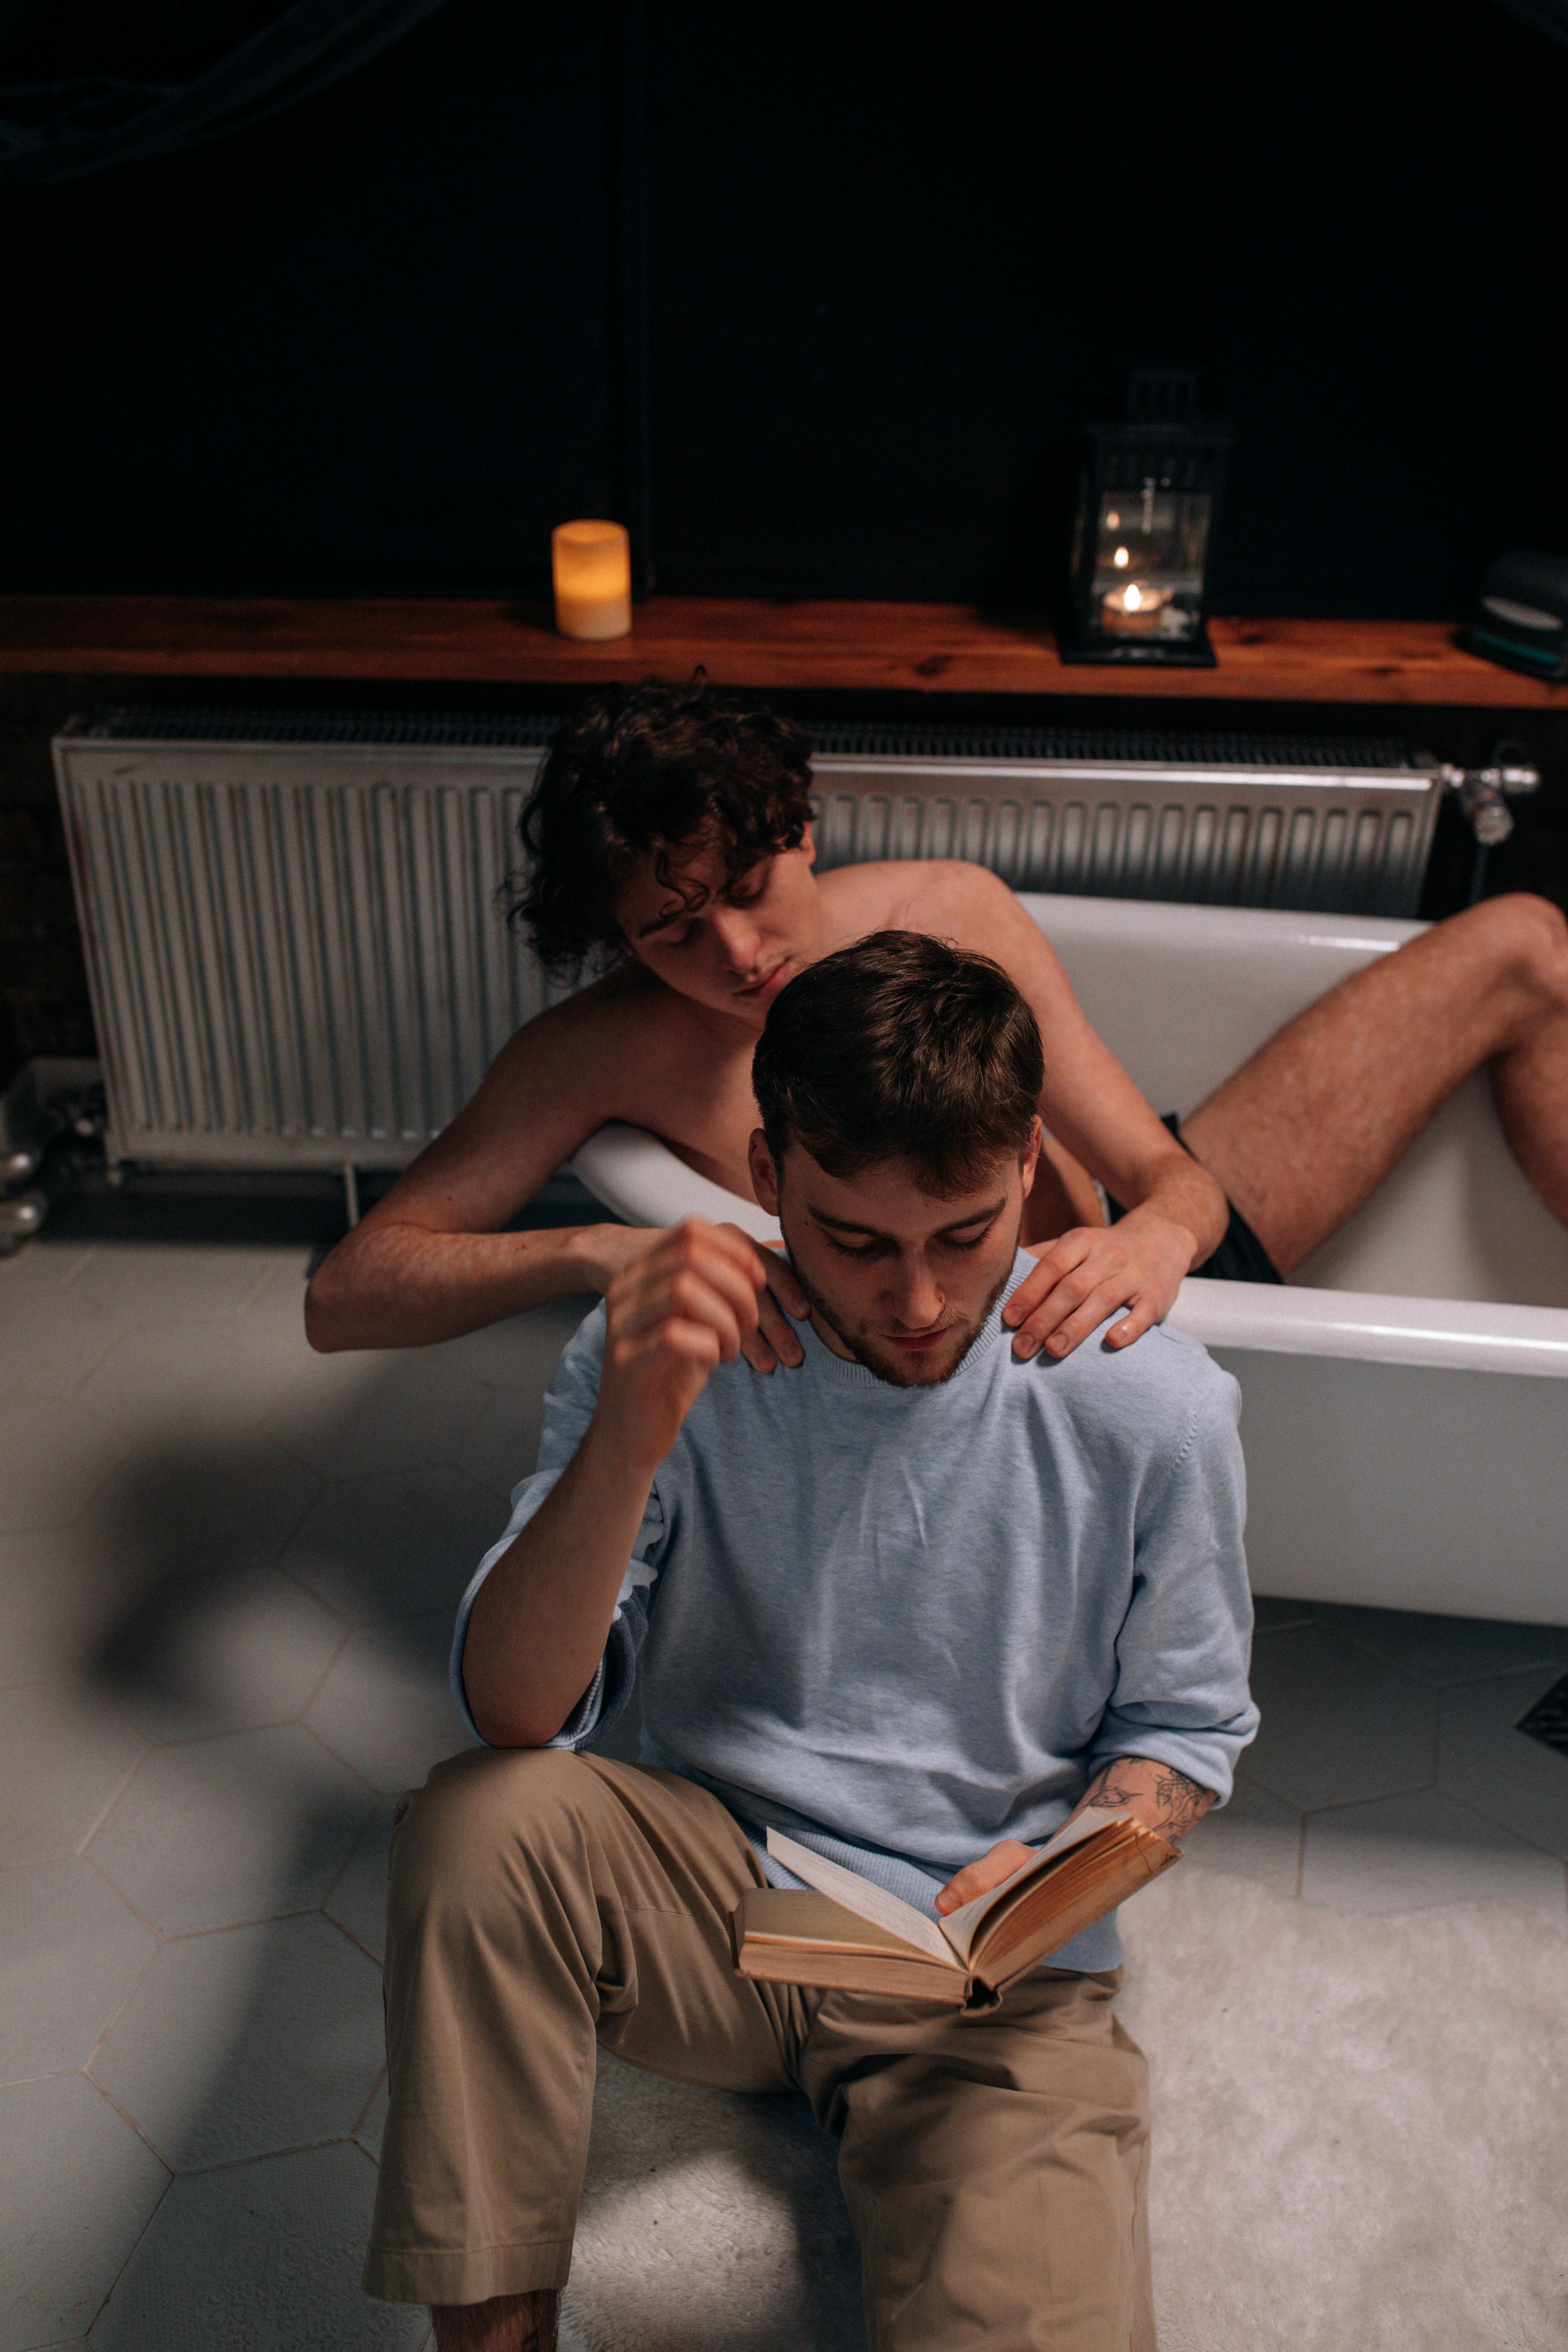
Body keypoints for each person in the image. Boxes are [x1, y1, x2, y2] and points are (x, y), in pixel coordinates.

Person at [363, 933, 1258, 2352]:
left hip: (987, 1975)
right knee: (480, 1823)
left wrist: (1069, 1864)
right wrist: (638, 1421)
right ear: (769, 1178)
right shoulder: (666, 1344)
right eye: (856, 1240)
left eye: (962, 1233)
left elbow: (1185, 1734)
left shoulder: (1152, 1405)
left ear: (1027, 1162)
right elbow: (517, 1717)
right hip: (728, 1904)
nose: (916, 1301)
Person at [304, 674, 1568, 1372]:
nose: (737, 954)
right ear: (618, 941)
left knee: (1523, 940)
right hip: (972, 1352)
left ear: (801, 827)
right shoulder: (594, 1054)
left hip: (1117, 1291)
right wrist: (595, 1252)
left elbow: (1169, 1179)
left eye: (747, 890)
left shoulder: (947, 910)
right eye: (672, 931)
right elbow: (346, 1295)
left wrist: (1157, 1247)